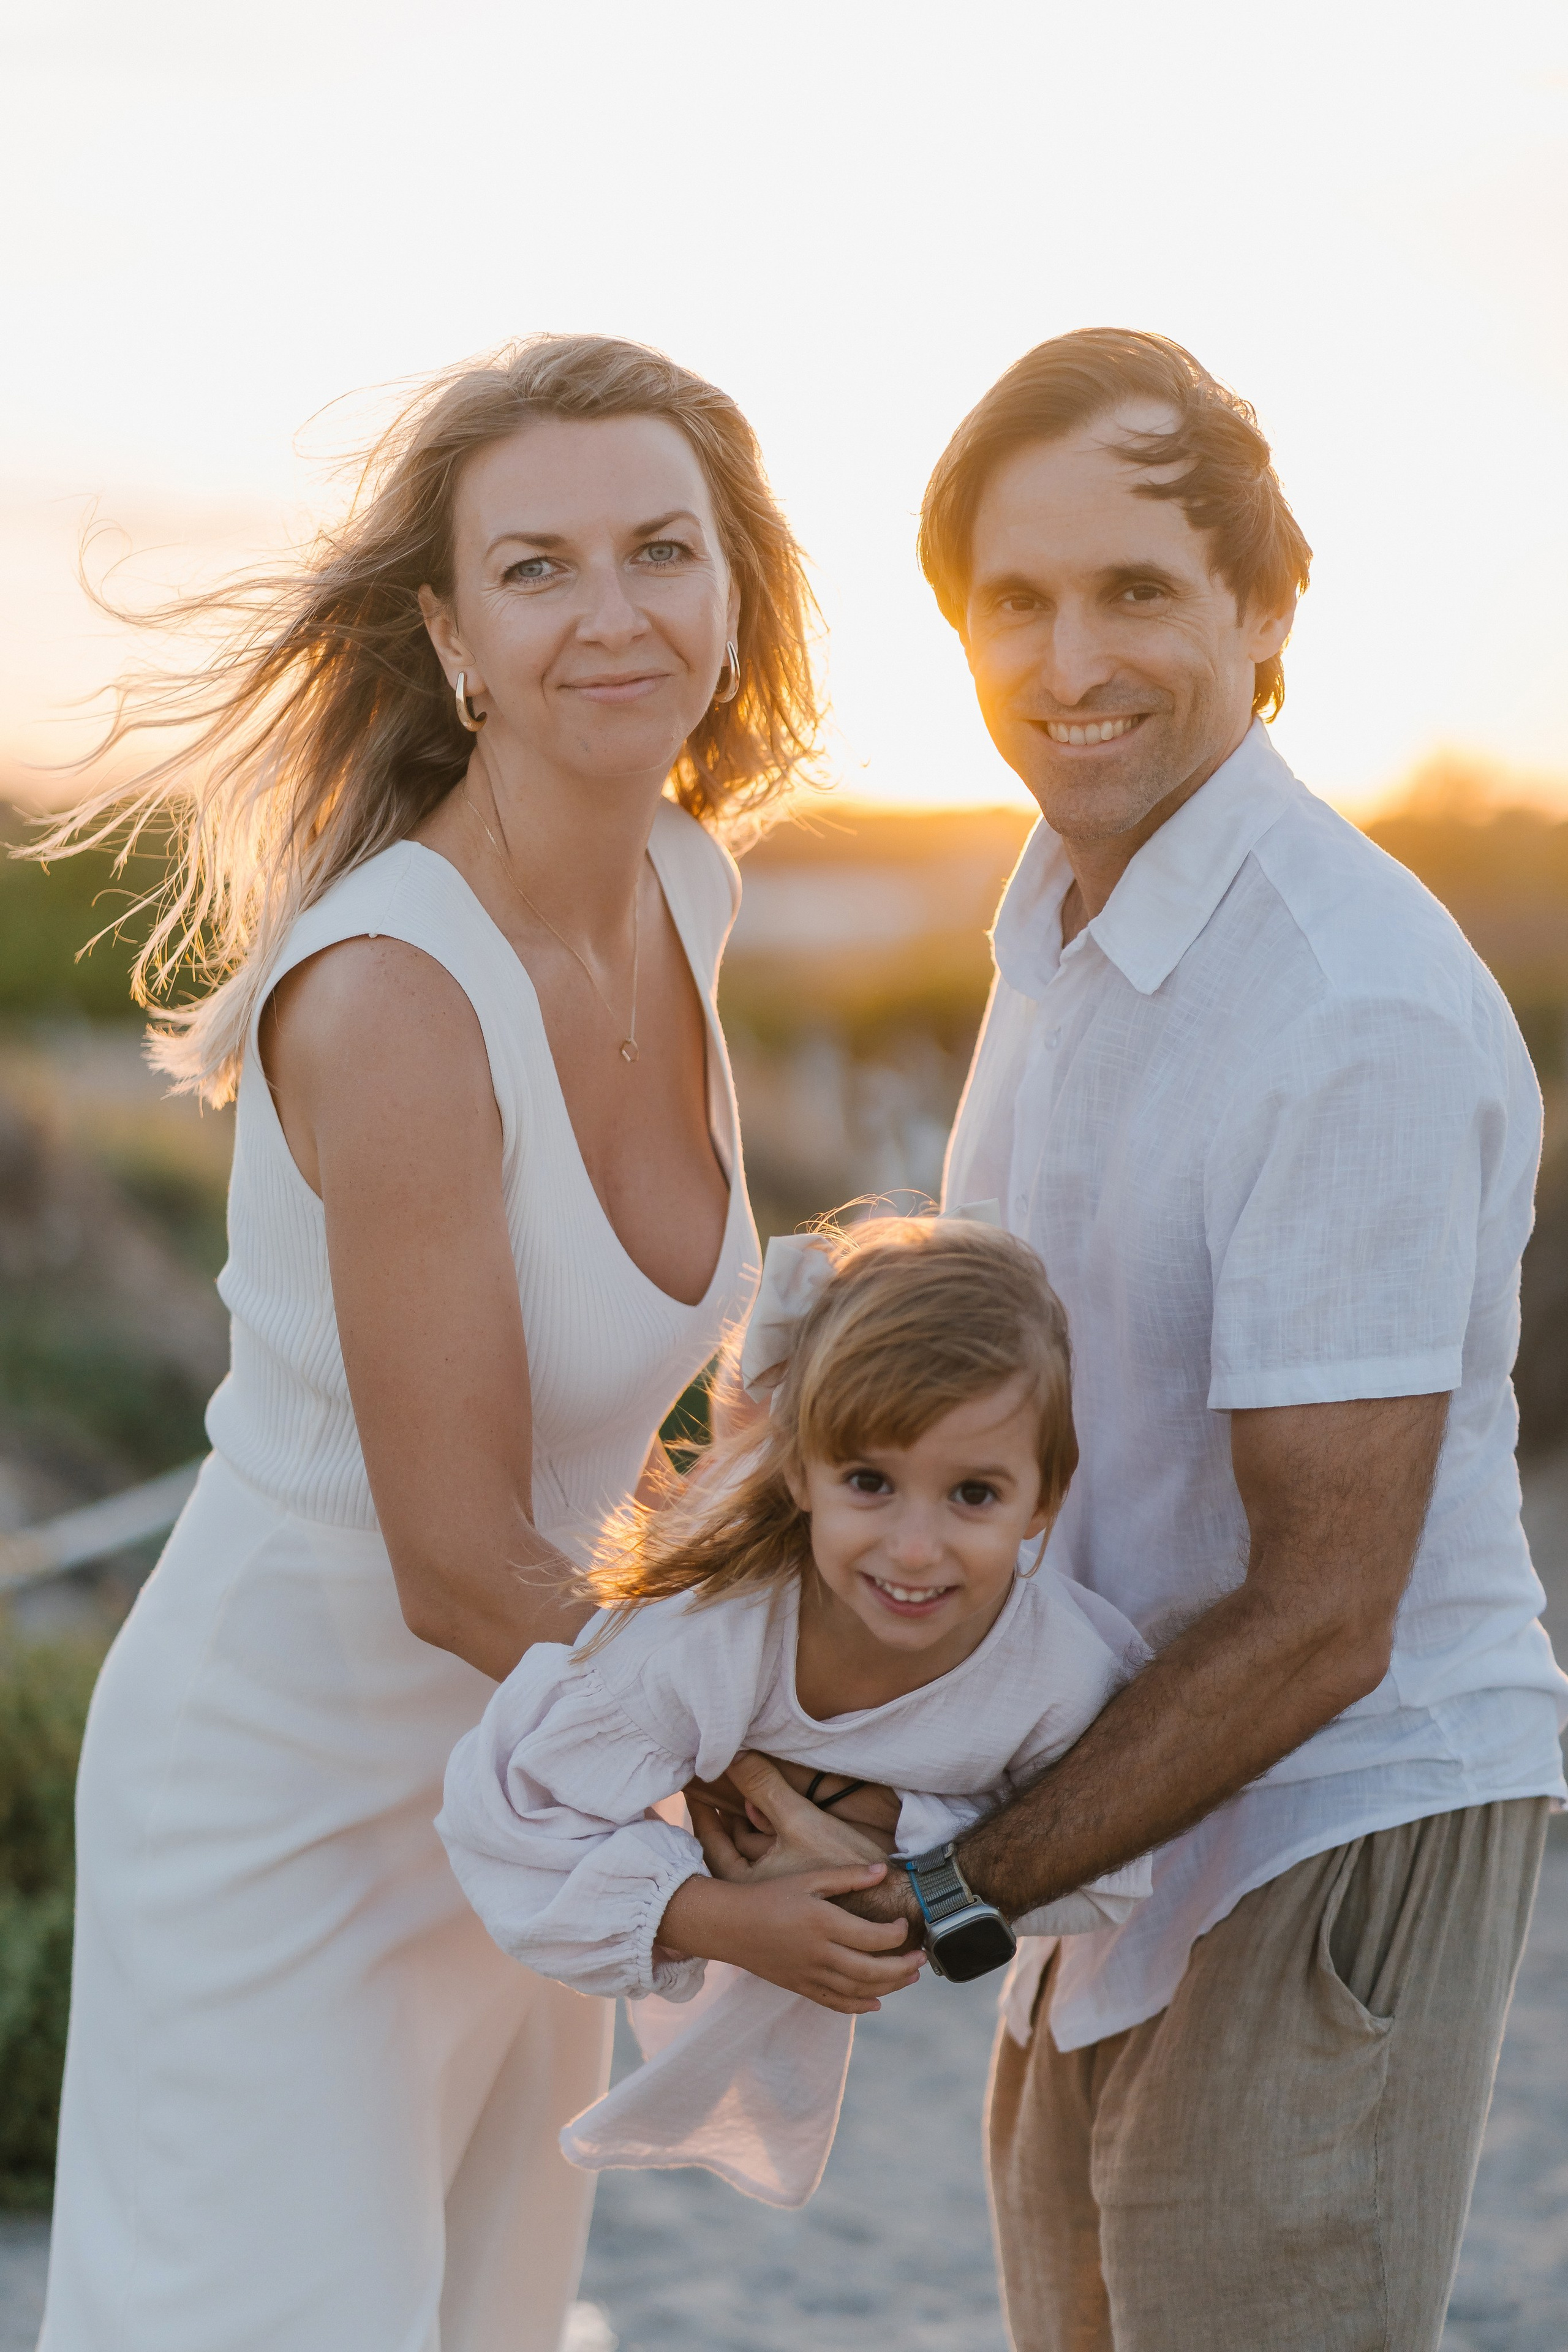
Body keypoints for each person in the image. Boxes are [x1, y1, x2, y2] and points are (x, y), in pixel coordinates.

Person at [692, 330, 1568, 2351]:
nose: (1070, 658)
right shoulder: (1063, 922)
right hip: (1114, 1828)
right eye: (1018, 599)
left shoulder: (1340, 1000)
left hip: (1325, 1817)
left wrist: (942, 1885)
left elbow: (1325, 1613)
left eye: (1140, 590)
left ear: (1267, 610)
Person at [37, 333, 823, 2352]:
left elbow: (594, 1450)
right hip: (281, 1805)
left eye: (662, 548)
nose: (613, 612)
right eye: (540, 567)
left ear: (737, 593)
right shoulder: (393, 990)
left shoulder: (683, 882)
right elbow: (462, 1553)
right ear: (453, 636)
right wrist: (766, 1771)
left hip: (520, 1786)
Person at [437, 1214, 1152, 2209]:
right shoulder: (701, 1638)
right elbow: (501, 1818)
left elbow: (1113, 1870)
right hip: (754, 1549)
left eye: (974, 1495)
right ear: (809, 1476)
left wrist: (897, 1844)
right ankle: (754, 1421)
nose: (914, 1548)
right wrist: (719, 1918)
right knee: (734, 1470)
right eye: (871, 1481)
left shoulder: (1066, 1674)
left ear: (1045, 1503)